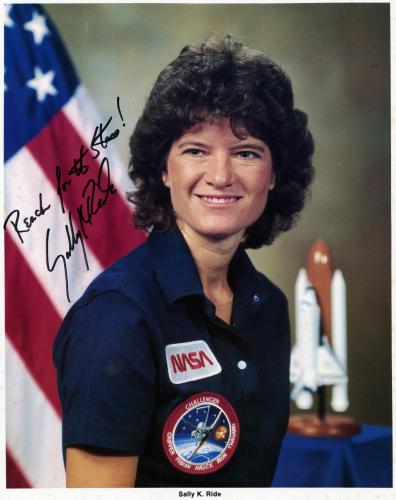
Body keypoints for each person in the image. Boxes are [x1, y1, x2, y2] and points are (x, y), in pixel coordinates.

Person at [53, 35, 314, 487]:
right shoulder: (117, 317)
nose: (220, 175)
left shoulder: (267, 305)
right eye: (195, 150)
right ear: (163, 167)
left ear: (274, 175)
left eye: (246, 152)